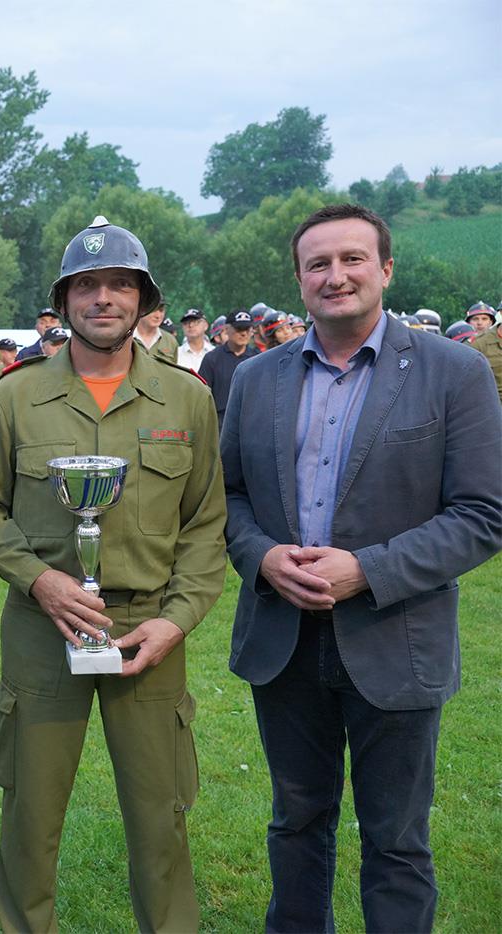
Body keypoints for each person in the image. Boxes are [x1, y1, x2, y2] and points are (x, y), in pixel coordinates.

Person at [220, 203, 502, 933]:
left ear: (386, 269)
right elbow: (229, 497)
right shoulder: (255, 379)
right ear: (299, 279)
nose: (335, 276)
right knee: (295, 824)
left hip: (395, 636)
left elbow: (483, 514)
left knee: (397, 840)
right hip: (284, 642)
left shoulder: (455, 372)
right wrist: (262, 556)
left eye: (352, 259)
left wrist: (366, 570)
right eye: (318, 264)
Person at [0, 214, 226, 933]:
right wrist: (38, 579)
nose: (103, 298)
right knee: (30, 814)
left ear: (144, 300)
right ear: (63, 301)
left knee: (161, 816)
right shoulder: (15, 396)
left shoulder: (187, 398)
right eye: (86, 285)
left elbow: (206, 525)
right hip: (42, 627)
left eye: (119, 285)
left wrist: (177, 621)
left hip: (148, 630)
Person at [199, 309, 259, 423]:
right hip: (219, 421)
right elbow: (202, 395)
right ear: (226, 329)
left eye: (247, 329)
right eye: (239, 329)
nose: (244, 333)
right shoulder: (212, 358)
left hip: (250, 420)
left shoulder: (257, 358)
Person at [468, 303, 502, 404]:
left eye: (484, 319)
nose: (480, 323)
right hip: (493, 403)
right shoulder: (479, 343)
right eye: (476, 319)